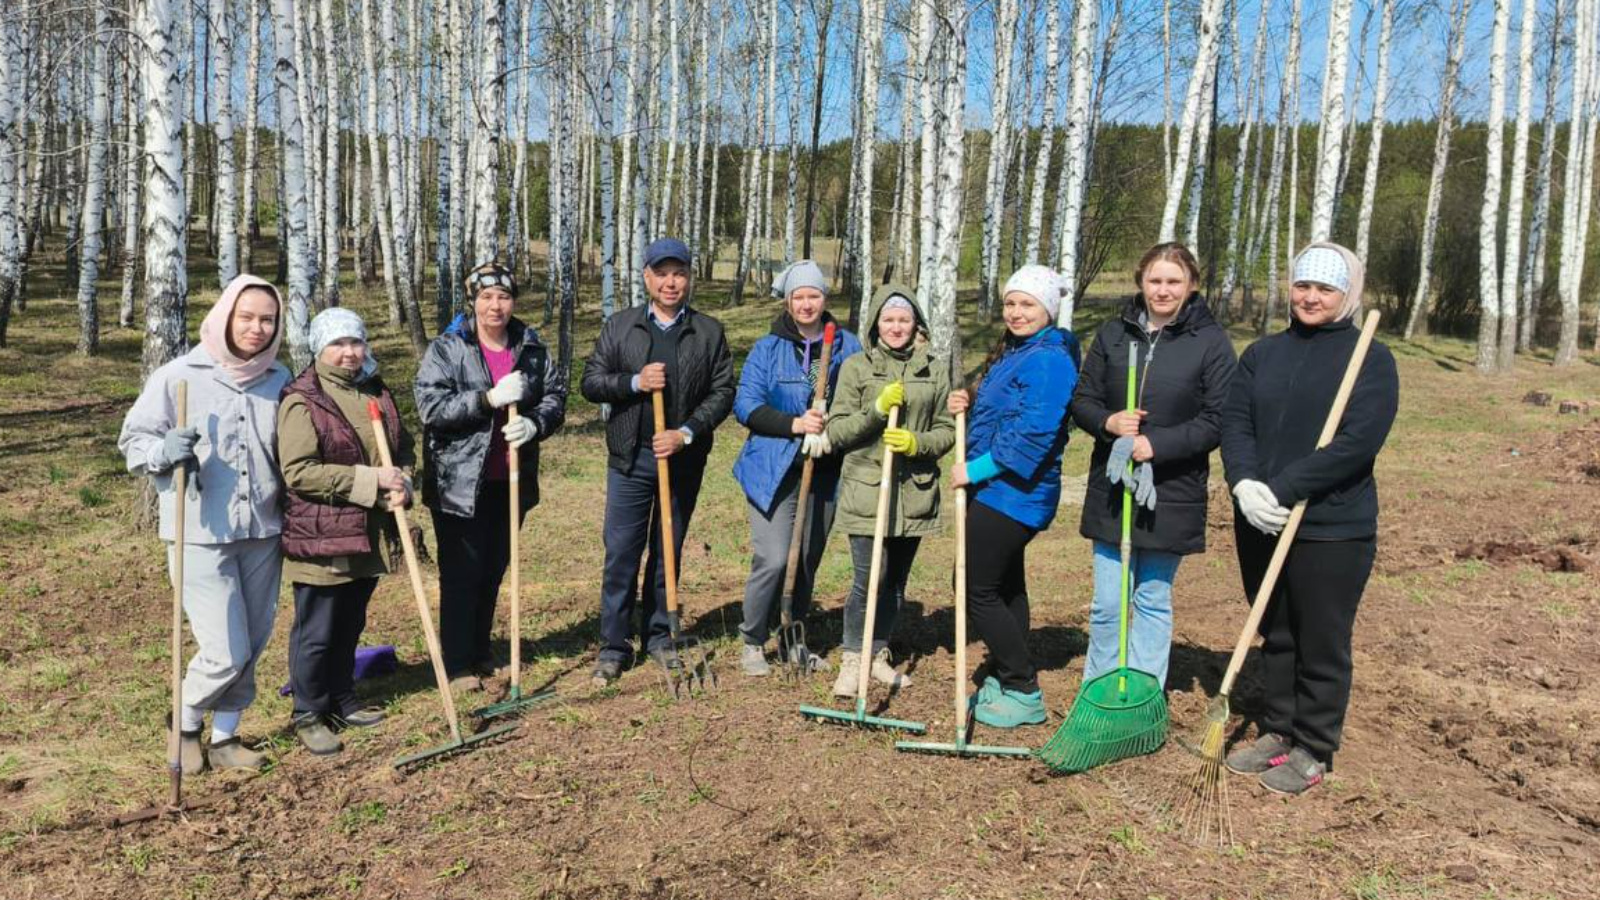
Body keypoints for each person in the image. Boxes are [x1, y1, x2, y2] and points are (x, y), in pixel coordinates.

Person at [1219, 242, 1398, 795]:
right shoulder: (1262, 354)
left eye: (1325, 288)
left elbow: (1357, 443)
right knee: (1276, 631)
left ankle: (1314, 746)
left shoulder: (1370, 358)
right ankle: (1279, 729)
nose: (1311, 297)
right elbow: (1235, 423)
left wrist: (1283, 488)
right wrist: (1244, 484)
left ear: (1348, 294)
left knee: (1321, 638)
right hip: (1261, 518)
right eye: (1303, 286)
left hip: (1332, 526)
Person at [118, 274, 290, 773]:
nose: (257, 328)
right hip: (199, 531)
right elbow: (133, 442)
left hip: (262, 528)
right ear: (225, 316)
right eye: (247, 317)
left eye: (268, 320)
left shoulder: (279, 379)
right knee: (224, 650)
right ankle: (185, 720)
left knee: (253, 641)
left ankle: (225, 737)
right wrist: (163, 450)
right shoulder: (179, 375)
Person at [1070, 243, 1236, 691]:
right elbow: (1082, 400)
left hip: (1172, 489)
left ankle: (1144, 692)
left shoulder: (1210, 342)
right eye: (1155, 280)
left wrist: (1155, 444)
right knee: (1108, 603)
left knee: (1152, 598)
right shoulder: (1114, 334)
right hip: (1113, 486)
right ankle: (1100, 689)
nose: (1163, 290)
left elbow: (1218, 419)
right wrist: (1108, 422)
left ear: (1192, 285)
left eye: (1174, 281)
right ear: (1141, 282)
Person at [580, 238, 735, 685]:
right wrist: (634, 382)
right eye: (662, 273)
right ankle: (613, 646)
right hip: (630, 458)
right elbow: (591, 382)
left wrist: (685, 433)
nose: (671, 282)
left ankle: (660, 635)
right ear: (646, 277)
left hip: (682, 461)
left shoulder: (708, 332)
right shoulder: (621, 326)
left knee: (667, 550)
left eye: (679, 273)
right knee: (621, 553)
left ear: (689, 278)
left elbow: (723, 391)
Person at [414, 263, 567, 693]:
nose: (495, 306)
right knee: (462, 573)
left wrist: (535, 422)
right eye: (486, 297)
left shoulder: (530, 347)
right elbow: (431, 408)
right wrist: (487, 399)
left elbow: (556, 395)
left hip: (511, 478)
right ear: (473, 301)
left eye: (503, 296)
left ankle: (481, 650)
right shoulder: (448, 348)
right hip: (459, 482)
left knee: (494, 568)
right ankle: (458, 662)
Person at [277, 308, 415, 755]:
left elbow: (402, 448)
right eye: (337, 344)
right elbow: (300, 472)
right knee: (317, 630)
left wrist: (404, 482)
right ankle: (308, 711)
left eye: (355, 342)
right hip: (322, 533)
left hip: (367, 529)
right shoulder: (303, 399)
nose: (349, 352)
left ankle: (342, 698)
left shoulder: (374, 388)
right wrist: (372, 481)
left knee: (351, 621)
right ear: (320, 348)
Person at [948, 265, 1080, 728]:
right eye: (1010, 303)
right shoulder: (1020, 350)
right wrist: (969, 398)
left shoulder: (1049, 360)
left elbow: (1032, 432)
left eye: (1028, 304)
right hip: (999, 489)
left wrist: (975, 470)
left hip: (1016, 492)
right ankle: (1006, 674)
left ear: (1049, 309)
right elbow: (1004, 409)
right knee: (1005, 584)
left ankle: (1023, 688)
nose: (1016, 312)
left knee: (975, 587)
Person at [824, 284, 954, 697]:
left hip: (914, 493)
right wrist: (877, 410)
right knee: (870, 578)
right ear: (875, 324)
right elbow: (837, 431)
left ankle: (877, 653)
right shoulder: (856, 368)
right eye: (888, 319)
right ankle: (852, 659)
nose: (896, 327)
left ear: (916, 324)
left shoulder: (934, 370)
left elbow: (947, 430)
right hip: (867, 489)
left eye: (904, 319)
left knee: (896, 581)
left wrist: (917, 443)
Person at [731, 261, 861, 676]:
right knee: (773, 557)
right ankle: (753, 640)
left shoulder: (847, 346)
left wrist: (832, 428)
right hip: (772, 467)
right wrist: (795, 424)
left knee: (805, 559)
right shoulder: (768, 349)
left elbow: (860, 401)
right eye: (799, 297)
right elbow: (745, 405)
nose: (806, 304)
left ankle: (792, 638)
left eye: (814, 296)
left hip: (824, 467)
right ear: (788, 301)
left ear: (825, 298)